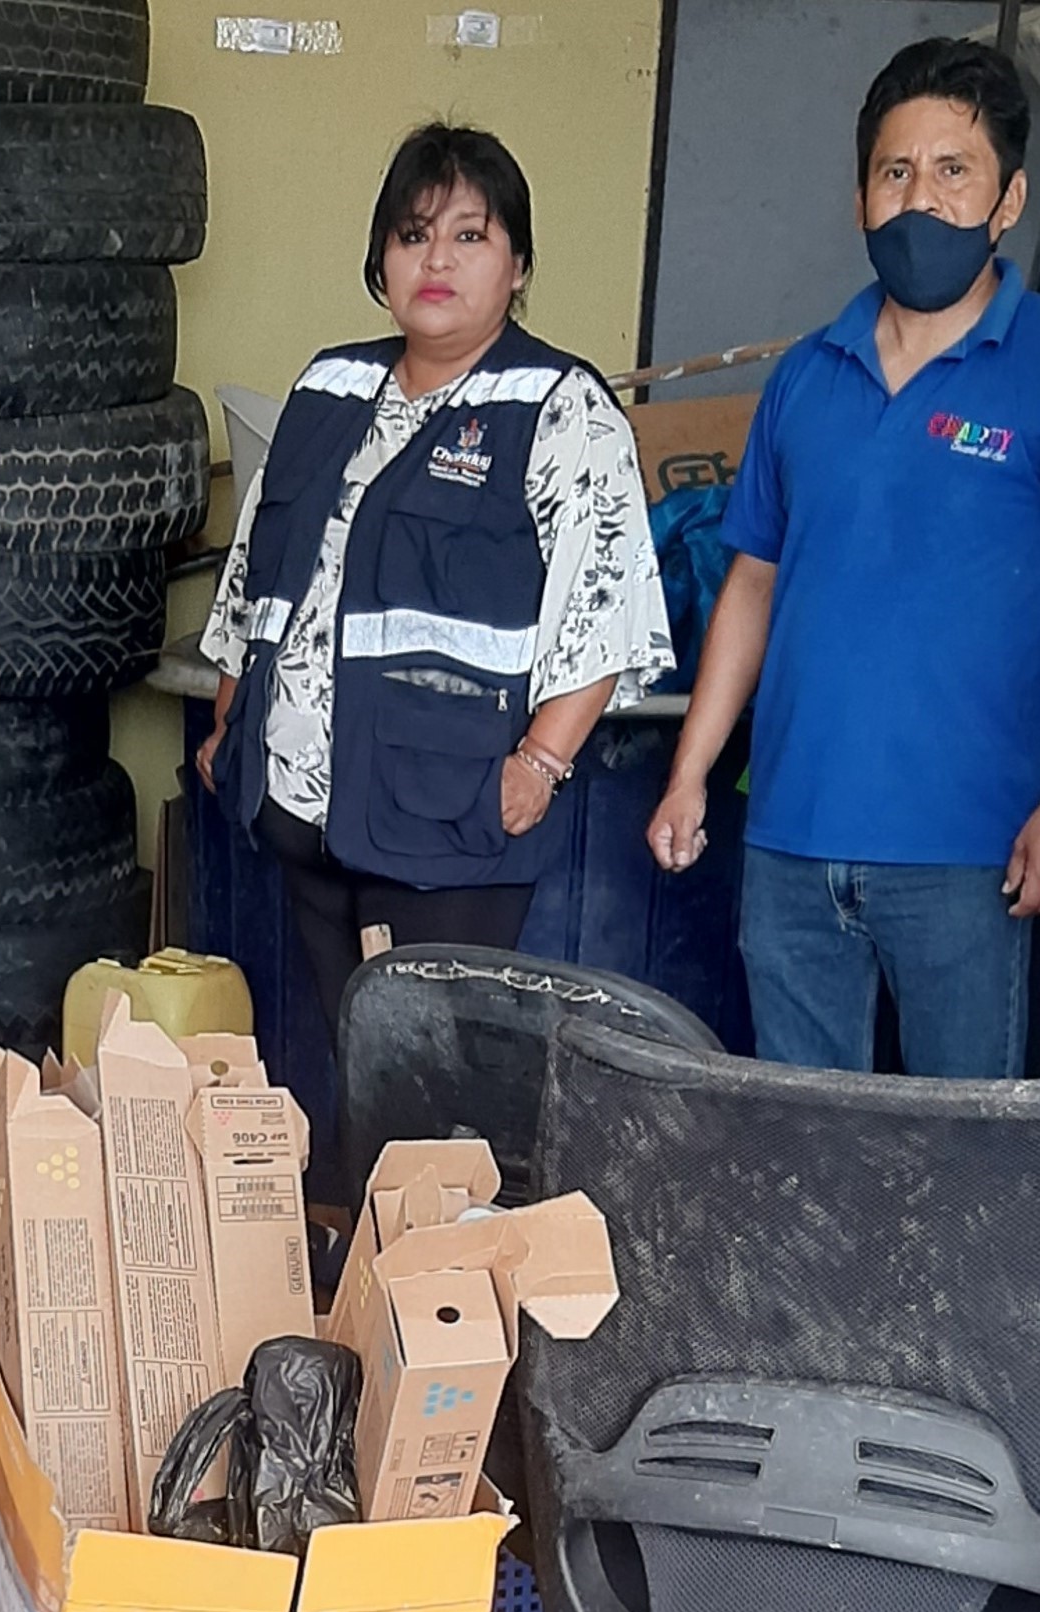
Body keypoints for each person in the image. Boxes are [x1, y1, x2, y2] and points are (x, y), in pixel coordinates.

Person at [198, 122, 673, 1066]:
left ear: (517, 264)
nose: (436, 260)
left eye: (469, 236)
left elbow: (603, 606)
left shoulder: (558, 407)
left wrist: (537, 765)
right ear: (380, 261)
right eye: (412, 235)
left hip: (447, 823)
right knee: (346, 1067)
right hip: (301, 811)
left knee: (430, 1090)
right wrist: (228, 717)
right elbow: (259, 569)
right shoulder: (330, 386)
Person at [647, 37, 1038, 1078]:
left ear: (1007, 200)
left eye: (952, 170)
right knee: (801, 1143)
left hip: (969, 852)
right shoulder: (803, 378)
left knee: (961, 1149)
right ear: (860, 196)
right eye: (893, 171)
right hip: (790, 839)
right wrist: (688, 774)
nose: (920, 198)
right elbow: (751, 583)